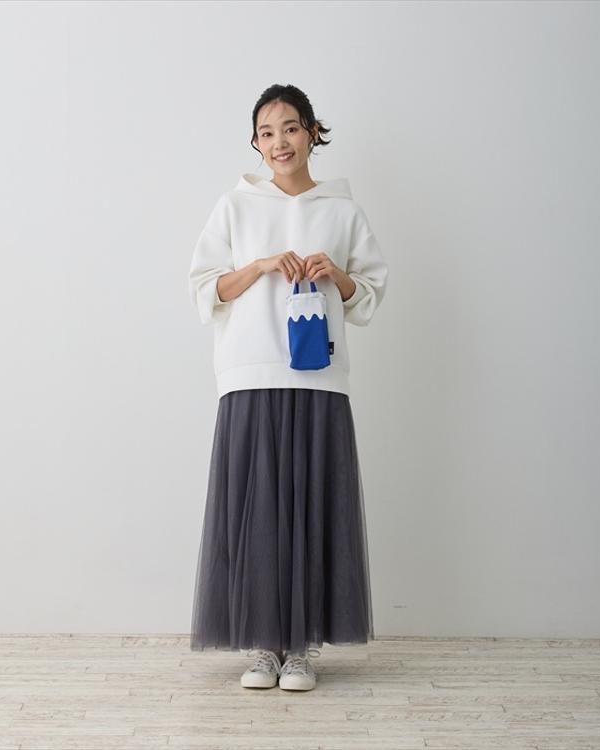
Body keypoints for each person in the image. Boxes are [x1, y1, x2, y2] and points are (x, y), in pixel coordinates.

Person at [187, 83, 389, 692]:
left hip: (319, 376)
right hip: (249, 372)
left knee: (312, 503)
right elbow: (204, 289)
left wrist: (337, 275)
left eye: (291, 128)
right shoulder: (235, 206)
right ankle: (264, 646)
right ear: (256, 142)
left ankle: (300, 649)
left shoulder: (343, 211)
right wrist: (260, 265)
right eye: (267, 132)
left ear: (312, 133)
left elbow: (368, 297)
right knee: (257, 510)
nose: (280, 142)